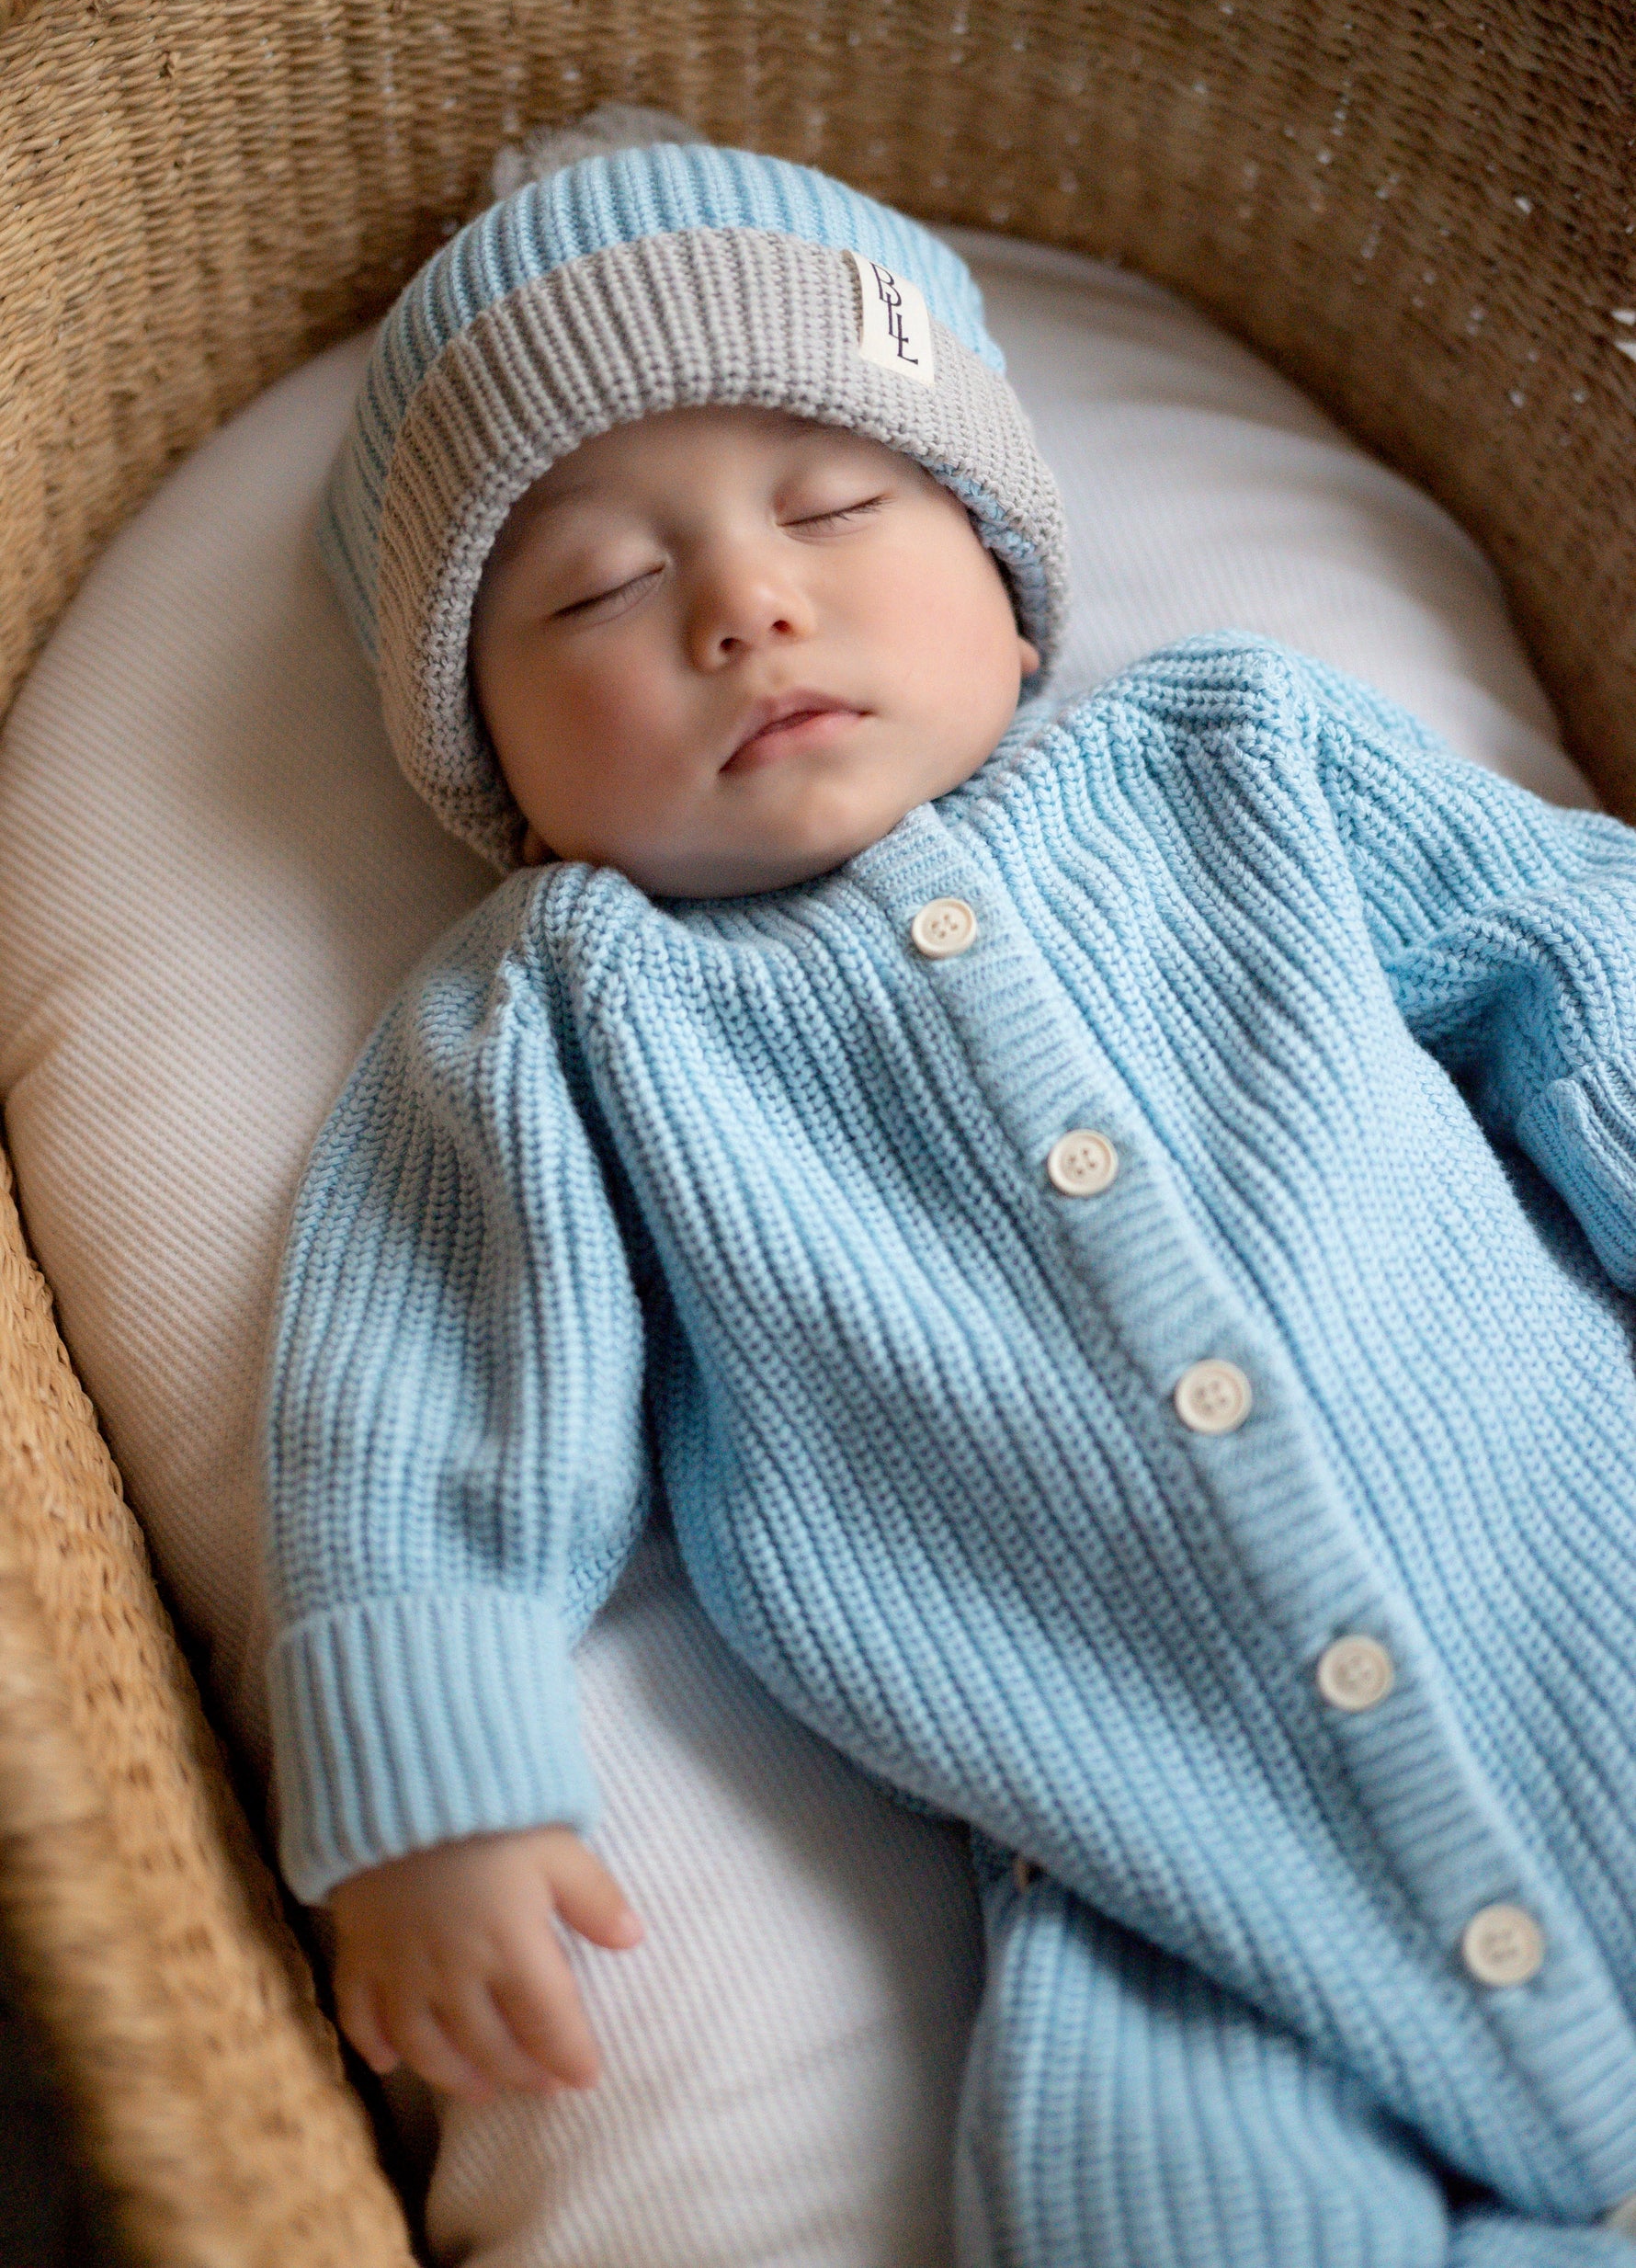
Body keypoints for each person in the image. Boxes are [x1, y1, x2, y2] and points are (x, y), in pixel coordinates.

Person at [266, 113, 1636, 2262]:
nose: (744, 599)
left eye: (835, 502)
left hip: (1587, 1578)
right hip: (1158, 1872)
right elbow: (429, 1367)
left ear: (1007, 587)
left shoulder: (1230, 757)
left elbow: (1575, 949)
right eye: (597, 590)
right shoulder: (562, 1010)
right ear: (497, 769)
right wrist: (435, 1766)